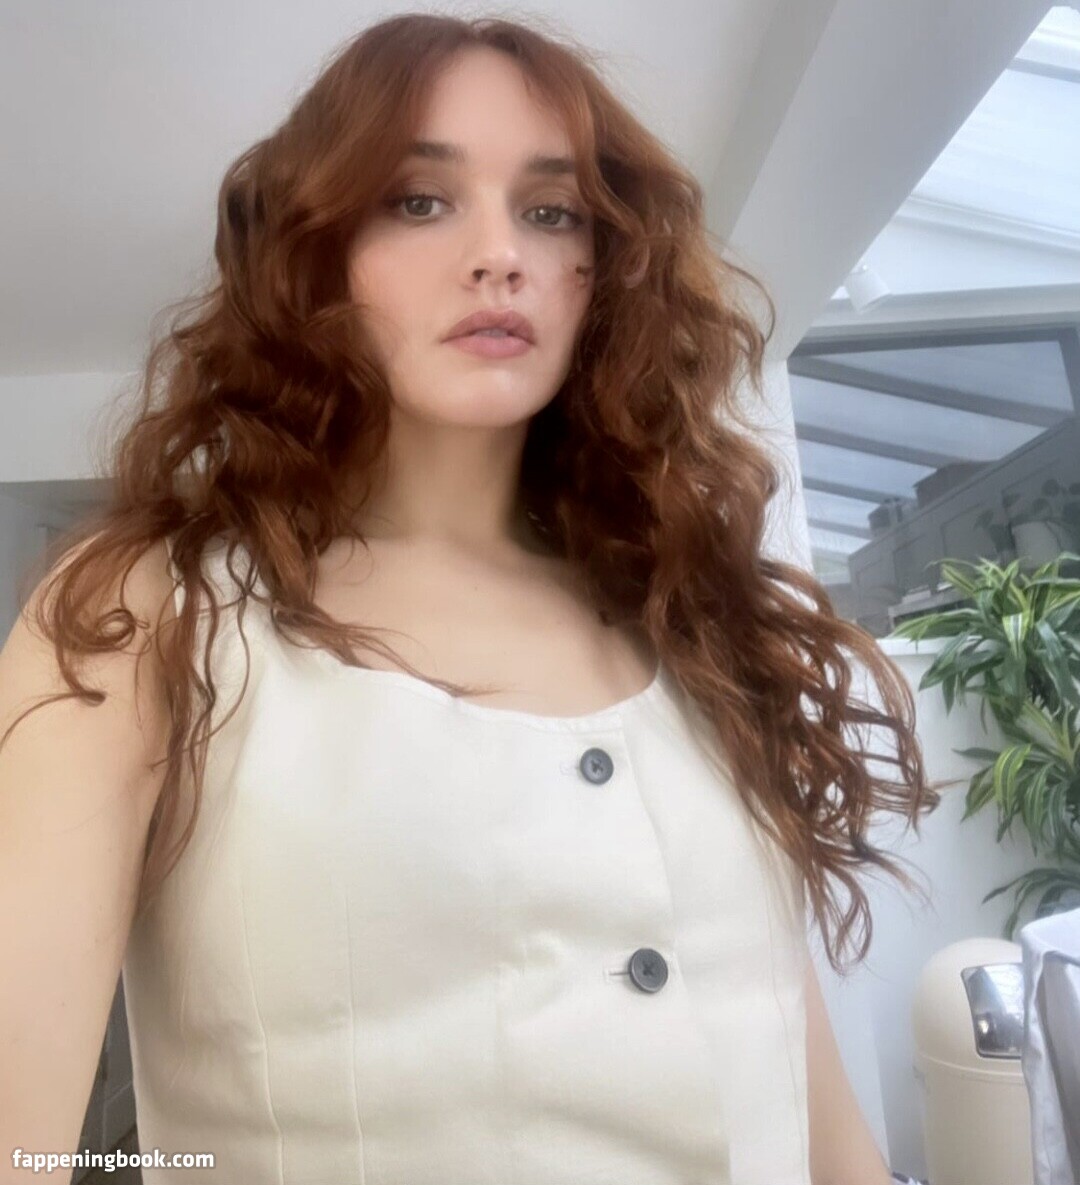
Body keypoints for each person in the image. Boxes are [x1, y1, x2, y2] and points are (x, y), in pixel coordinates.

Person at [0, 13, 937, 1185]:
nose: (501, 255)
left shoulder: (685, 616)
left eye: (552, 212)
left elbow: (809, 1102)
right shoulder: (154, 617)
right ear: (316, 250)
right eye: (418, 200)